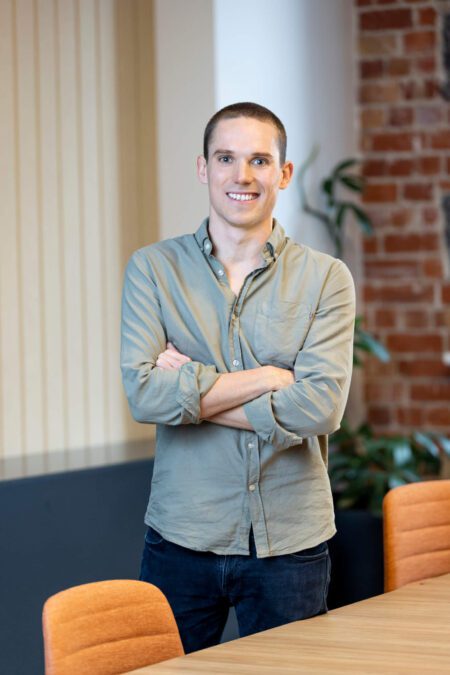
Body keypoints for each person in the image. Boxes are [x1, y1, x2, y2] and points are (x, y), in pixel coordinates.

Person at [120, 102, 355, 653]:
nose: (241, 176)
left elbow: (322, 408)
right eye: (226, 158)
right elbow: (142, 392)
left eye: (258, 160)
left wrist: (195, 393)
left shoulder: (326, 279)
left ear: (283, 173)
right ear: (203, 167)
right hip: (181, 535)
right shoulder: (153, 270)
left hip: (291, 545)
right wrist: (270, 378)